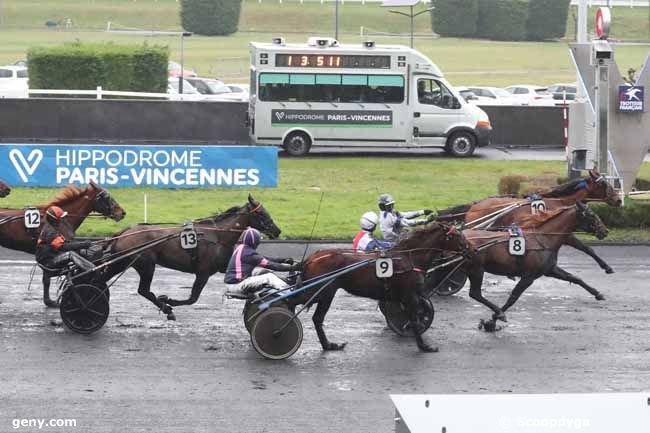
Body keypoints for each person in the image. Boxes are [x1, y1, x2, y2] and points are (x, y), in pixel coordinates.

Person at [224, 227, 301, 297]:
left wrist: (283, 260)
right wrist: (292, 268)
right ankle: (290, 292)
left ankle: (284, 282)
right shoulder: (249, 254)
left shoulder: (242, 248)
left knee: (261, 271)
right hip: (237, 286)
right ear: (255, 241)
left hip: (232, 284)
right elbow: (271, 265)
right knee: (269, 277)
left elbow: (265, 258)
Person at [35, 206, 95, 273]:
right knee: (70, 254)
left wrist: (82, 244)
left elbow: (65, 242)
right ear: (54, 219)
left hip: (52, 256)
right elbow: (63, 247)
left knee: (79, 250)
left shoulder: (52, 227)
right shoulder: (50, 232)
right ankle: (92, 269)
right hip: (48, 263)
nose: (62, 220)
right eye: (61, 218)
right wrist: (84, 244)